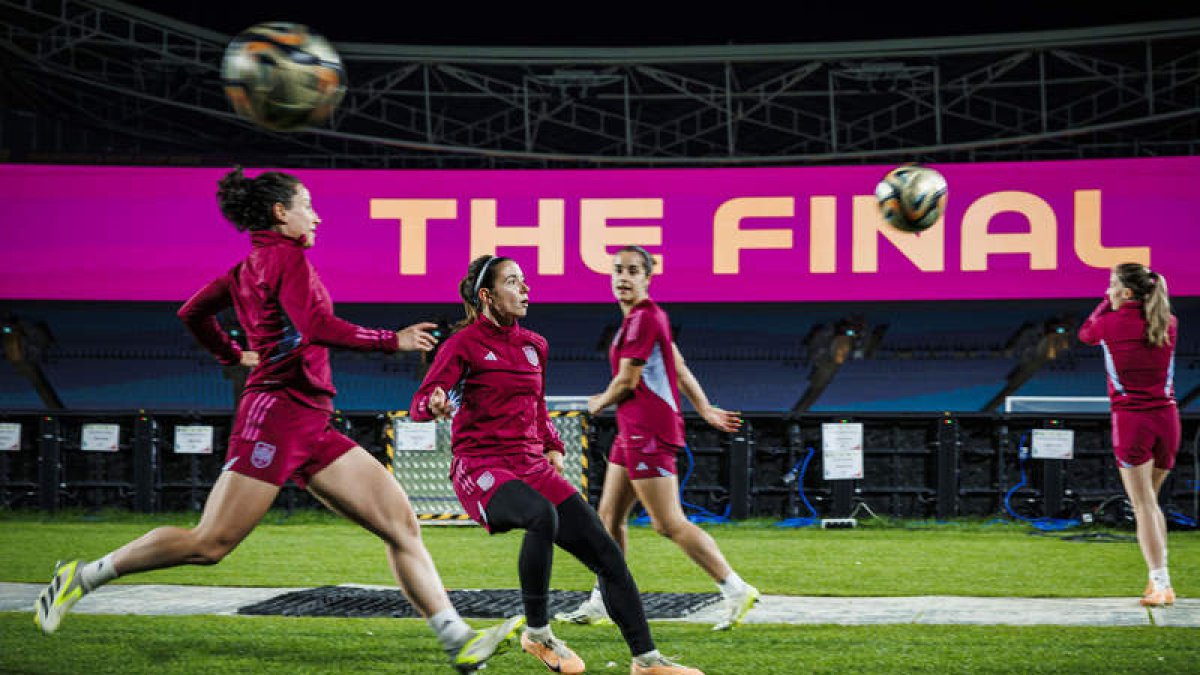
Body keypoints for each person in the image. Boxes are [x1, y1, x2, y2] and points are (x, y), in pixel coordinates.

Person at [33, 168, 521, 673]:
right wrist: (388, 340)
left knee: (400, 524)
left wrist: (232, 354)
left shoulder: (248, 268)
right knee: (210, 543)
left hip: (309, 419)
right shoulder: (286, 259)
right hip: (276, 417)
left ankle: (458, 639)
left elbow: (192, 313)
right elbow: (315, 326)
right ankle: (81, 576)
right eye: (307, 204)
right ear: (280, 214)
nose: (317, 214)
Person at [410, 254, 704, 675]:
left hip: (531, 465)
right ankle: (539, 633)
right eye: (513, 282)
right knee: (539, 515)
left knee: (609, 556)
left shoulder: (535, 345)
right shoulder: (463, 344)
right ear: (487, 296)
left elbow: (537, 405)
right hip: (480, 468)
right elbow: (422, 399)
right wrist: (433, 403)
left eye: (525, 281)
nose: (525, 288)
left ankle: (646, 661)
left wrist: (552, 444)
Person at [556, 245, 759, 630]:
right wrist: (704, 408)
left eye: (633, 271)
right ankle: (604, 599)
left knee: (668, 523)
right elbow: (677, 366)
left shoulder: (645, 318)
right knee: (609, 519)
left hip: (649, 430)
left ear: (647, 278)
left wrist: (598, 402)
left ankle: (735, 588)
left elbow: (627, 381)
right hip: (632, 429)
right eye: (618, 270)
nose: (623, 278)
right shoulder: (637, 321)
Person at [1078, 262, 1180, 607]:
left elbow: (1085, 334)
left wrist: (1105, 303)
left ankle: (1161, 583)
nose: (1107, 290)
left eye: (1112, 285)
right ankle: (1157, 578)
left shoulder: (1108, 323)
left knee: (1144, 505)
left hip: (1132, 421)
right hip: (1167, 420)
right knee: (1150, 506)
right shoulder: (1167, 323)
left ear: (1126, 292)